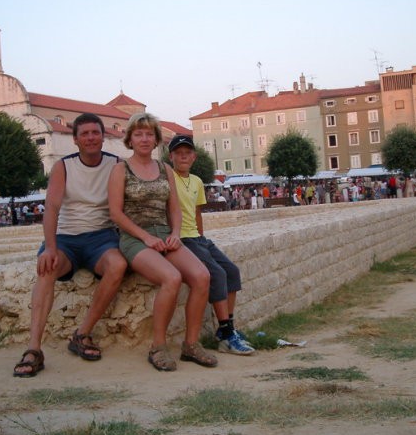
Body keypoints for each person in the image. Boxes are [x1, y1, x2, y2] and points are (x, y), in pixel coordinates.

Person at [13, 113, 128, 378]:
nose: (90, 138)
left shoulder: (116, 165)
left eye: (95, 133)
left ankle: (82, 333)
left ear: (103, 136)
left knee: (118, 265)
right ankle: (34, 349)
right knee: (46, 269)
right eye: (85, 133)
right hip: (66, 238)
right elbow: (51, 208)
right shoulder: (63, 167)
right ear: (75, 139)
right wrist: (50, 247)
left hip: (101, 237)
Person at [108, 112, 216, 372]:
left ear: (156, 140)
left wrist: (175, 233)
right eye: (139, 134)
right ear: (130, 139)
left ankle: (190, 345)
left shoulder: (165, 169)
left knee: (202, 275)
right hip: (135, 238)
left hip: (165, 233)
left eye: (149, 134)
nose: (145, 139)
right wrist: (145, 237)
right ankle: (158, 346)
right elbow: (115, 213)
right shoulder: (120, 170)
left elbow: (175, 208)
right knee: (171, 278)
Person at [168, 135, 255, 355]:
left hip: (197, 238)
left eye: (187, 153)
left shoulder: (196, 181)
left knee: (232, 272)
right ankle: (226, 333)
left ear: (194, 157)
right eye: (178, 153)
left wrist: (203, 239)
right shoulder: (168, 178)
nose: (183, 156)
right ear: (171, 157)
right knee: (216, 273)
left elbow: (197, 212)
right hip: (183, 238)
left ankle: (227, 328)